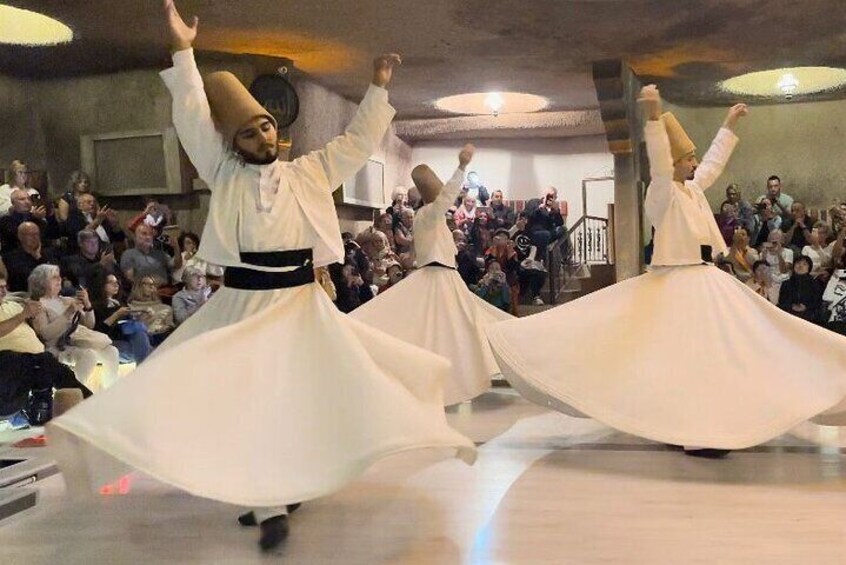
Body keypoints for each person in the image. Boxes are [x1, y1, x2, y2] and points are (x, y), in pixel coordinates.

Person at [47, 0, 474, 554]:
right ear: (235, 142)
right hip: (244, 304)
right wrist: (183, 51)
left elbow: (356, 144)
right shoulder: (222, 173)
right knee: (240, 403)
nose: (261, 137)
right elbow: (193, 119)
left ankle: (283, 486)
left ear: (278, 129)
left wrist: (378, 87)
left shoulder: (310, 172)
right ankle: (270, 500)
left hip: (300, 303)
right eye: (248, 132)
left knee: (312, 397)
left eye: (267, 125)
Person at [486, 84, 846, 459]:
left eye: (692, 158)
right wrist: (654, 120)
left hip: (702, 279)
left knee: (709, 356)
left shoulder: (691, 190)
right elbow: (659, 167)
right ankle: (691, 429)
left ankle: (697, 426)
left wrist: (728, 124)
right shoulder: (662, 194)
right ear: (674, 162)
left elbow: (710, 166)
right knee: (684, 360)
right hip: (675, 281)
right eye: (687, 158)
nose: (694, 163)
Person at [353, 145, 512, 405]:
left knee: (456, 329)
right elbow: (446, 199)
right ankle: (445, 381)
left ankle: (450, 379)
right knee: (448, 329)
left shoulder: (429, 217)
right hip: (438, 277)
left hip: (444, 277)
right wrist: (461, 167)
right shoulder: (428, 214)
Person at [0, 272, 92, 425]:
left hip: (32, 361)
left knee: (48, 365)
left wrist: (34, 316)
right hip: (6, 363)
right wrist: (23, 315)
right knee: (39, 362)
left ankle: (86, 404)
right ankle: (89, 403)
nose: (3, 291)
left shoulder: (14, 306)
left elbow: (39, 332)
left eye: (4, 287)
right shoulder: (20, 311)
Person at [29, 264, 120, 392]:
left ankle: (110, 393)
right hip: (58, 346)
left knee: (112, 351)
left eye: (59, 277)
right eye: (54, 277)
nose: (59, 280)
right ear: (41, 281)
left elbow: (89, 325)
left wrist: (88, 305)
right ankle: (73, 394)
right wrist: (68, 313)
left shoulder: (66, 300)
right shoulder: (38, 305)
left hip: (78, 340)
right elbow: (45, 334)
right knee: (89, 355)